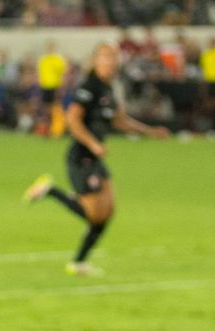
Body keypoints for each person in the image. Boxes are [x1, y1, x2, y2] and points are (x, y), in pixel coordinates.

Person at [23, 43, 169, 277]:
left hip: (95, 157)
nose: (109, 62)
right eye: (104, 58)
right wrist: (92, 144)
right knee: (94, 215)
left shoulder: (108, 89)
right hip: (81, 157)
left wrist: (151, 132)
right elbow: (72, 120)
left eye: (112, 58)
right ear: (95, 62)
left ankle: (79, 263)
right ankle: (50, 190)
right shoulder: (88, 87)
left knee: (107, 212)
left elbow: (120, 121)